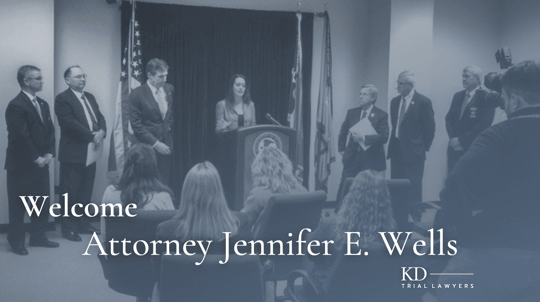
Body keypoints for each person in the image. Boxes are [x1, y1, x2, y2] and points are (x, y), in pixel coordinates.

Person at [438, 60, 540, 301]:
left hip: (495, 246)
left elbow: (456, 185)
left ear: (513, 100)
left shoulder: (499, 134)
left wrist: (465, 232)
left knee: (439, 294)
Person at [153, 161, 252, 300]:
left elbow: (160, 279)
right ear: (219, 192)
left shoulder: (166, 231)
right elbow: (248, 278)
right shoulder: (241, 228)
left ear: (186, 192)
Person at [5, 65, 59, 255]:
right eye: (37, 78)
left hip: (41, 162)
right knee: (18, 205)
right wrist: (36, 157)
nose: (42, 81)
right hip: (21, 165)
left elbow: (50, 130)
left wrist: (49, 154)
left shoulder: (43, 103)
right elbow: (21, 136)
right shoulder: (16, 105)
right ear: (26, 81)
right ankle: (16, 241)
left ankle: (38, 237)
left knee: (41, 201)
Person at [55, 65, 107, 242]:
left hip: (91, 152)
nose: (82, 79)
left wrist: (102, 132)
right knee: (70, 192)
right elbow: (69, 123)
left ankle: (83, 224)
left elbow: (100, 117)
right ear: (68, 80)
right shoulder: (62, 99)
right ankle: (68, 228)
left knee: (86, 190)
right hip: (73, 153)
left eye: (83, 76)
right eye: (78, 77)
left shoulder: (90, 97)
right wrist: (92, 135)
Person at [387, 71, 435, 228]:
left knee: (414, 187)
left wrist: (422, 148)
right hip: (396, 151)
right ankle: (397, 217)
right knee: (396, 186)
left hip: (414, 153)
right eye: (397, 82)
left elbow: (430, 129)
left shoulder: (423, 101)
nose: (397, 86)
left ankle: (415, 219)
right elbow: (396, 125)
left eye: (400, 83)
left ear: (409, 85)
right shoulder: (394, 102)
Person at [101, 143, 175, 244]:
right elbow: (170, 239)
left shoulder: (109, 193)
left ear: (127, 165)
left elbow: (104, 238)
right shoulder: (163, 198)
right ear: (154, 167)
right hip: (152, 258)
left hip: (115, 258)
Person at [336, 84, 389, 205]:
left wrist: (364, 138)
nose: (360, 97)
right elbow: (343, 132)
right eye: (360, 94)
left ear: (373, 98)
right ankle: (339, 212)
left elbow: (384, 137)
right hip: (352, 158)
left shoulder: (381, 115)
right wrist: (341, 149)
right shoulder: (352, 113)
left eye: (364, 94)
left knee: (368, 191)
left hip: (371, 159)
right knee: (345, 187)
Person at [130, 58, 174, 186]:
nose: (164, 79)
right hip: (145, 147)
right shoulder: (137, 94)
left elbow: (168, 117)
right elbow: (136, 125)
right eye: (160, 76)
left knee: (162, 183)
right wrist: (156, 144)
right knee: (145, 185)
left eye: (166, 75)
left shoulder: (169, 89)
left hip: (166, 146)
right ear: (149, 75)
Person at [241, 146, 307, 229]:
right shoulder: (302, 191)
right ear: (287, 166)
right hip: (296, 240)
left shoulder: (258, 195)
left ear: (258, 169)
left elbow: (244, 225)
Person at [445, 65, 495, 172]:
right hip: (454, 149)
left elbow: (484, 125)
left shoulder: (486, 97)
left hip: (472, 148)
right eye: (463, 76)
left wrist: (461, 141)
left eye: (467, 76)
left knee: (468, 184)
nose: (463, 79)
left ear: (477, 79)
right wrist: (453, 139)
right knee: (451, 182)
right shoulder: (458, 96)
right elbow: (448, 119)